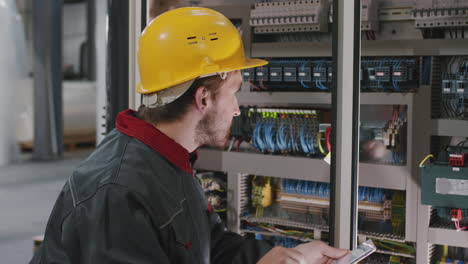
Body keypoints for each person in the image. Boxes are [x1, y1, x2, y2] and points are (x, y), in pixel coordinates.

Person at [30, 7, 349, 264]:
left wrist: (281, 257)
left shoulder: (167, 161)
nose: (238, 109)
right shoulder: (117, 194)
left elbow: (210, 246)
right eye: (234, 93)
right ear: (203, 99)